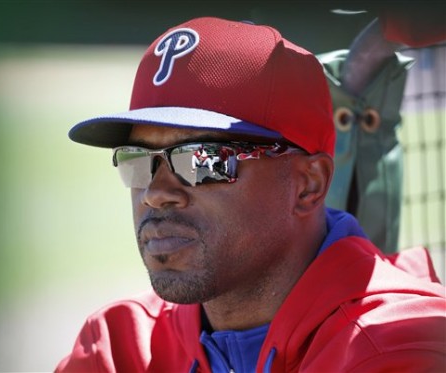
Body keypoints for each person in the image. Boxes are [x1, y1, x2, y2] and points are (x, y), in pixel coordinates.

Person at [56, 17, 445, 372]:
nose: (156, 193)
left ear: (308, 184)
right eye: (138, 161)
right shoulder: (119, 348)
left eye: (203, 160)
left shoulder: (399, 347)